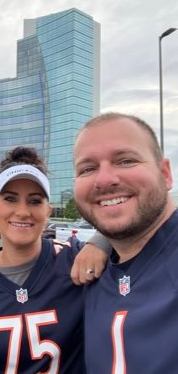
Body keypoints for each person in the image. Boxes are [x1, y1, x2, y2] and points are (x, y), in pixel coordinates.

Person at [0, 146, 107, 373]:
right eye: (10, 199)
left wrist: (101, 242)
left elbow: (136, 228)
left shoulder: (74, 259)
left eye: (35, 201)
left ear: (49, 210)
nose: (23, 211)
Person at [73, 112, 178, 373]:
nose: (105, 179)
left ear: (165, 174)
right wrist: (100, 241)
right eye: (87, 168)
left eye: (126, 160)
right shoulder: (85, 272)